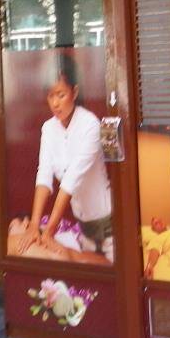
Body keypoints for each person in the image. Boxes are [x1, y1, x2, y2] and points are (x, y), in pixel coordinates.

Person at [14, 54, 113, 262]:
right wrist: (34, 226)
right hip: (84, 228)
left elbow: (70, 181)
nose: (55, 103)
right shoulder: (49, 129)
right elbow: (44, 175)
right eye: (50, 96)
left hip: (109, 225)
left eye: (61, 95)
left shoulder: (90, 125)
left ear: (74, 92)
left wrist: (48, 231)